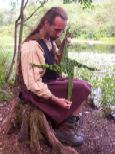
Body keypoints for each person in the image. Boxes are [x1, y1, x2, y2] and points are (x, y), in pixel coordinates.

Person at [19, 7, 92, 146]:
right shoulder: (31, 46)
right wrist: (55, 99)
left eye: (62, 31)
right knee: (81, 87)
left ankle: (68, 124)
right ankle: (65, 131)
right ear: (46, 23)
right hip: (35, 91)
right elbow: (32, 84)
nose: (59, 34)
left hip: (49, 81)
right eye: (57, 30)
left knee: (82, 84)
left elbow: (56, 64)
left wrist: (64, 46)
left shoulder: (50, 40)